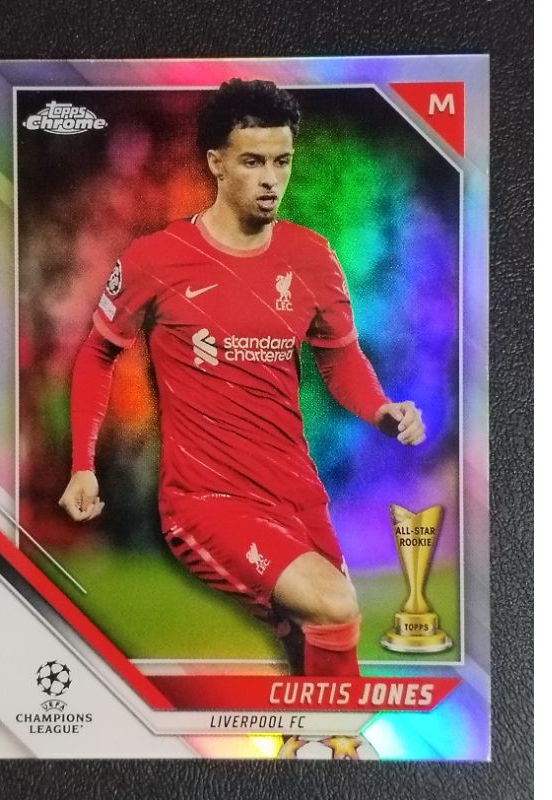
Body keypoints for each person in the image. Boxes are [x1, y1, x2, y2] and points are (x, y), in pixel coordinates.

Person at [59, 78, 425, 683]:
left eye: (282, 161)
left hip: (296, 494)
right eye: (253, 162)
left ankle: (326, 737)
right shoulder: (157, 258)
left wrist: (382, 409)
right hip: (206, 502)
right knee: (333, 603)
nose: (271, 179)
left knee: (319, 646)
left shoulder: (312, 257)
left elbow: (340, 360)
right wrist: (82, 465)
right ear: (216, 163)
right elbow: (99, 354)